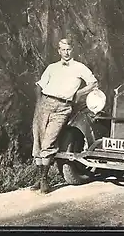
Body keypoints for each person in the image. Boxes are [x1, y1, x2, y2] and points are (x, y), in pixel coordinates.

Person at [30, 38, 98, 193]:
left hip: (63, 107)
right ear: (58, 51)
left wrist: (77, 94)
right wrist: (38, 105)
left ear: (72, 50)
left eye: (68, 49)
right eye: (63, 49)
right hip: (44, 104)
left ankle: (44, 180)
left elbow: (93, 83)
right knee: (38, 141)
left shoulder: (79, 67)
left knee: (49, 141)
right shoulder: (52, 67)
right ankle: (39, 179)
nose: (66, 52)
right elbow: (39, 86)